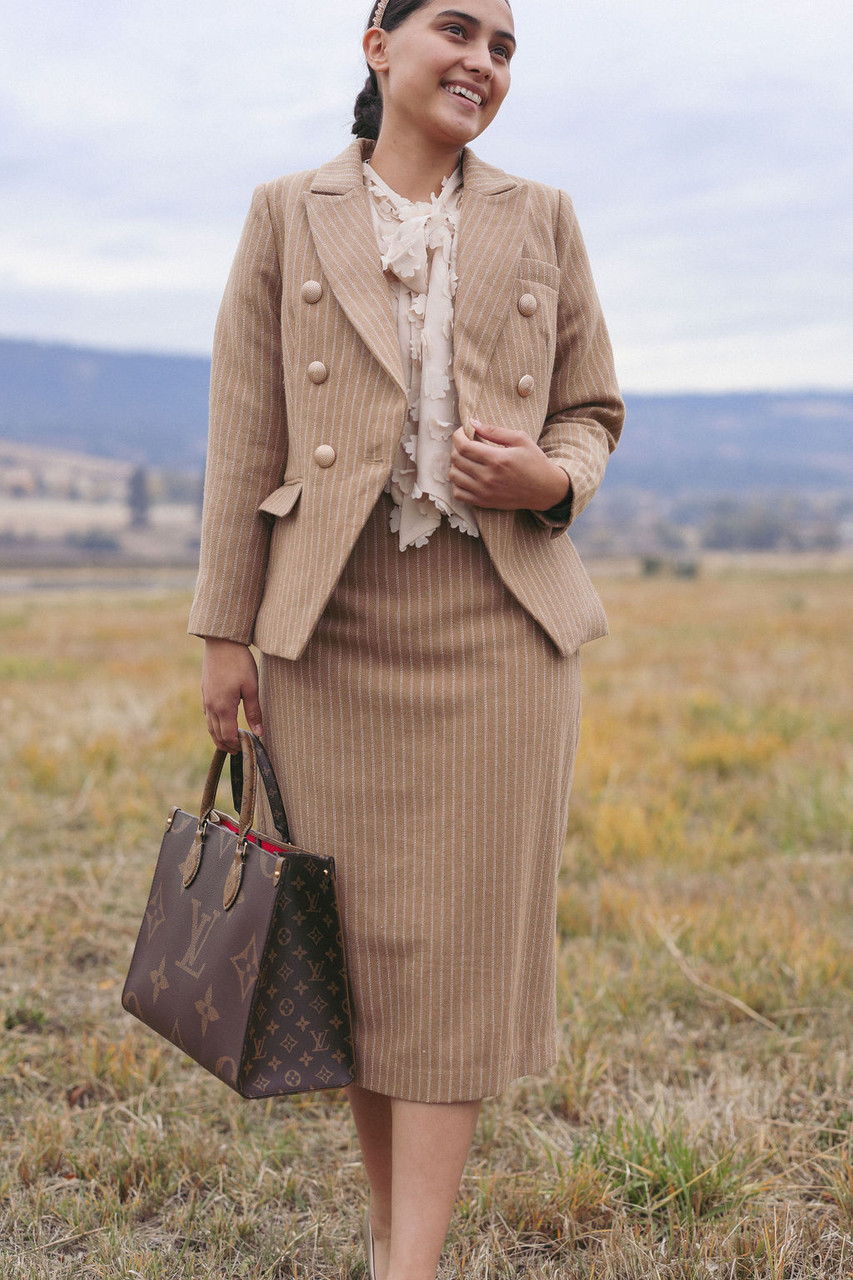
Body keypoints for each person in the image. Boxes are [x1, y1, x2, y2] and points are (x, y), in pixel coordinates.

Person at [189, 1, 624, 1276]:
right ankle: (396, 1242)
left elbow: (593, 407)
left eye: (504, 47)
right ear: (377, 44)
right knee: (365, 964)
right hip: (325, 634)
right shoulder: (286, 212)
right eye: (458, 30)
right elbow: (244, 432)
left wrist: (550, 478)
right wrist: (223, 632)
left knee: (456, 964)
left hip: (500, 630)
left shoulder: (543, 216)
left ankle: (411, 1264)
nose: (483, 62)